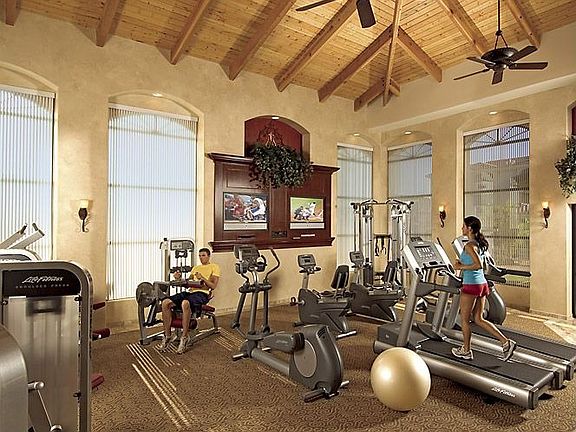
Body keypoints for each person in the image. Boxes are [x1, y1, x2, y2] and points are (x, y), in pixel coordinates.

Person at [451, 216, 517, 361]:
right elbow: (477, 263)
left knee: (464, 320)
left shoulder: (469, 246)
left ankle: (466, 350)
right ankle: (506, 342)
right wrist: (462, 262)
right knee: (478, 318)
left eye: (464, 226)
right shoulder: (478, 244)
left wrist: (460, 266)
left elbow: (478, 265)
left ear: (469, 229)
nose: (462, 228)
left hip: (471, 285)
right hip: (481, 284)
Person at [158, 247, 220, 354]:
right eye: (199, 255)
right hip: (190, 293)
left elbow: (213, 286)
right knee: (165, 303)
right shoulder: (196, 268)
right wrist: (179, 278)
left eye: (203, 255)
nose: (201, 258)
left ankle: (184, 337)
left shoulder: (214, 267)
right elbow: (187, 283)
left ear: (209, 256)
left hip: (202, 294)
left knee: (185, 303)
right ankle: (167, 335)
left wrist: (202, 278)